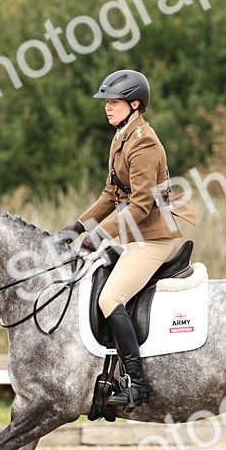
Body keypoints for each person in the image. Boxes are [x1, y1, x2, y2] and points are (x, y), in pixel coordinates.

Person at [54, 69, 197, 408]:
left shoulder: (144, 142)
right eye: (106, 101)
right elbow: (110, 194)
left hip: (152, 239)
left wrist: (100, 235)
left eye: (114, 102)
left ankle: (138, 385)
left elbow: (141, 204)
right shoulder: (122, 136)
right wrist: (77, 227)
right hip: (135, 237)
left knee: (109, 299)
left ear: (135, 104)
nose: (107, 107)